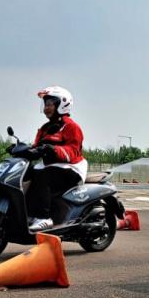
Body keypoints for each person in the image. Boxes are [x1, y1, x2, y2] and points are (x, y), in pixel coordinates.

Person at [27, 86, 88, 231]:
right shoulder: (45, 128)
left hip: (71, 168)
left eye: (49, 104)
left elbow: (73, 151)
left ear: (62, 104)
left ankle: (44, 217)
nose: (46, 108)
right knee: (27, 174)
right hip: (51, 167)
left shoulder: (71, 127)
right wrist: (21, 150)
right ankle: (29, 213)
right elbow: (36, 147)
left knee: (43, 177)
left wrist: (54, 149)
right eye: (45, 104)